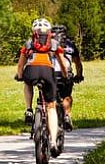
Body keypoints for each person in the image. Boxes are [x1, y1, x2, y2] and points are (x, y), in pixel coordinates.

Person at [15, 18, 70, 156]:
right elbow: (63, 64)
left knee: (27, 83)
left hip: (31, 71)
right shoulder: (53, 43)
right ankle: (52, 142)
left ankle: (28, 109)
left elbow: (21, 65)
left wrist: (20, 75)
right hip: (48, 73)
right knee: (51, 107)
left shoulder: (28, 43)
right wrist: (65, 75)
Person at [51, 24, 84, 131]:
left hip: (50, 74)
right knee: (66, 96)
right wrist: (79, 76)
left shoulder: (48, 44)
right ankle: (66, 115)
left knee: (50, 98)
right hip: (66, 75)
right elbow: (78, 63)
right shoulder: (71, 45)